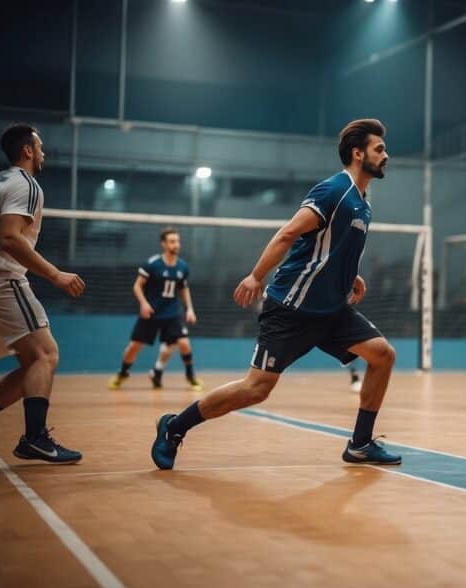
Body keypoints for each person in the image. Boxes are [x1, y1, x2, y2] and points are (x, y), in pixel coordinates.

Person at [150, 119, 401, 469]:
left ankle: (360, 444)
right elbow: (288, 234)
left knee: (382, 355)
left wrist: (351, 276)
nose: (386, 155)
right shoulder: (333, 191)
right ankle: (174, 428)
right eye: (379, 149)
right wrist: (255, 276)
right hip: (292, 308)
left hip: (331, 311)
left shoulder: (363, 202)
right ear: (358, 154)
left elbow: (328, 249)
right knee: (257, 388)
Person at [0, 123, 85, 464]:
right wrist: (55, 274)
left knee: (31, 365)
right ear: (27, 150)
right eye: (39, 146)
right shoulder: (26, 185)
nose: (43, 153)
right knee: (46, 355)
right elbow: (9, 238)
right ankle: (34, 438)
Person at [108, 228, 203, 391]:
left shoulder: (182, 267)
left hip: (173, 312)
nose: (176, 244)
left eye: (177, 241)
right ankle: (123, 373)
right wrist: (144, 304)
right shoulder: (152, 264)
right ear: (164, 244)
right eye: (172, 241)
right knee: (134, 346)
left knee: (183, 343)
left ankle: (190, 375)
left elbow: (184, 289)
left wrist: (190, 309)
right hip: (152, 311)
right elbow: (137, 286)